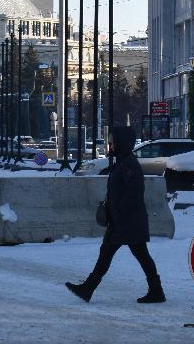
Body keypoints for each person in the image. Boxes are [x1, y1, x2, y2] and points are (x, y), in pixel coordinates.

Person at [65, 125, 165, 304]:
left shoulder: (129, 164)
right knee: (134, 254)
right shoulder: (123, 162)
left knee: (119, 253)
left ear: (122, 143)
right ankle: (156, 290)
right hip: (124, 220)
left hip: (127, 221)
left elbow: (134, 192)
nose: (110, 147)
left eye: (112, 143)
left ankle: (89, 288)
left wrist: (118, 211)